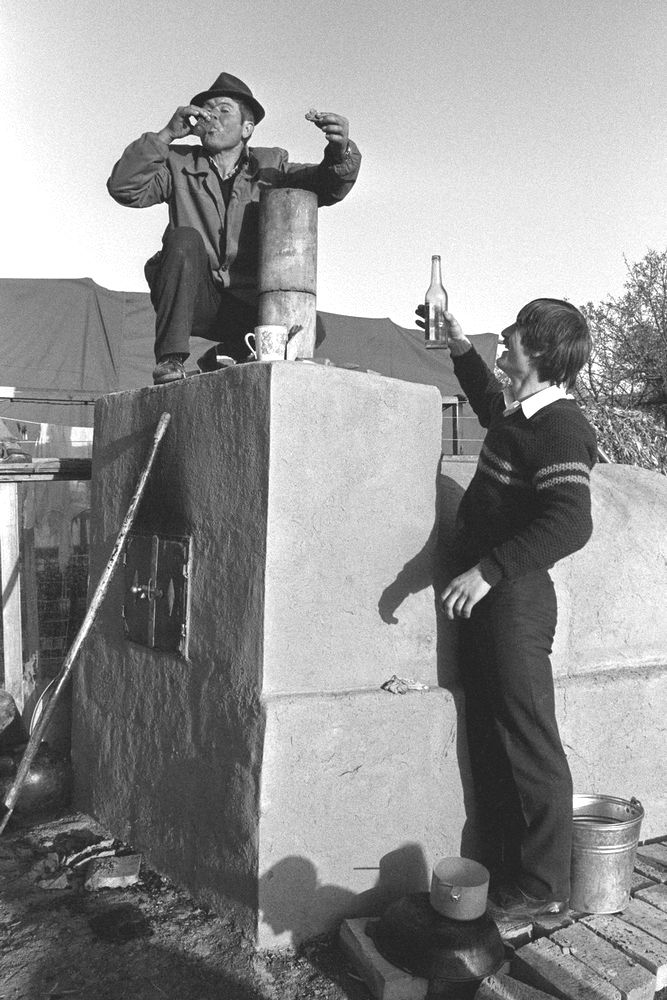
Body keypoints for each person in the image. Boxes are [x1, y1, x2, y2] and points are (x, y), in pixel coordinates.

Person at [417, 298, 597, 920]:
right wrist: (459, 346)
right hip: (491, 599)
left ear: (539, 350)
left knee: (528, 743)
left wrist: (489, 570)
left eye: (516, 331)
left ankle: (546, 887)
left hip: (515, 599)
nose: (507, 336)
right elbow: (490, 406)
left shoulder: (562, 426)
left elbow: (571, 522)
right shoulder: (523, 417)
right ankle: (508, 875)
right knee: (494, 740)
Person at [107, 72, 361, 384]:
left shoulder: (272, 166)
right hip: (194, 299)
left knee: (309, 326)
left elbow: (328, 186)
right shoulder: (178, 164)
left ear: (247, 128)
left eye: (223, 110)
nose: (211, 117)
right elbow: (124, 188)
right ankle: (170, 360)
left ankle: (224, 356)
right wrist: (166, 135)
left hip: (248, 307)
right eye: (207, 111)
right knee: (184, 238)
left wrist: (340, 151)